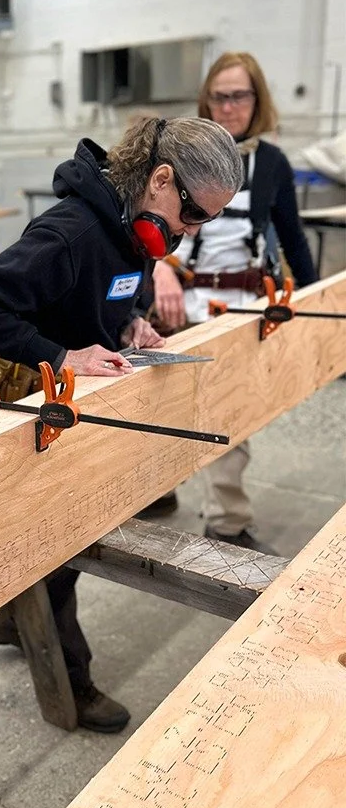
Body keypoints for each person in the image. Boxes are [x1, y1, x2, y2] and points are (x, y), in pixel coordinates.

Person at [0, 117, 243, 733]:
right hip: (23, 388)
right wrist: (63, 355)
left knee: (51, 529)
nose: (191, 233)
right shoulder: (73, 231)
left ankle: (12, 619)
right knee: (60, 535)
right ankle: (71, 683)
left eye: (207, 222)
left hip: (71, 384)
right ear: (160, 180)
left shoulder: (133, 235)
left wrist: (129, 327)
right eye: (192, 215)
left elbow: (114, 297)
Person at [150, 53, 317, 551]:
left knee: (228, 412)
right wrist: (158, 268)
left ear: (256, 99)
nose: (228, 106)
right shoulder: (176, 155)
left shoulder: (271, 163)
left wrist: (311, 305)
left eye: (239, 95)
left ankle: (226, 520)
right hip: (182, 297)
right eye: (219, 96)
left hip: (244, 307)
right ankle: (157, 490)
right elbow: (135, 221)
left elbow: (293, 239)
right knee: (164, 404)